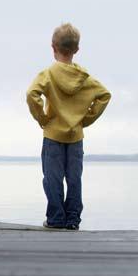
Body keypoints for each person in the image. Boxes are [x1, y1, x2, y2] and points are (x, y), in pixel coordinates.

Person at [26, 23, 112, 231]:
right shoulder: (85, 79)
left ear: (53, 46)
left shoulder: (47, 74)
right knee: (74, 179)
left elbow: (32, 94)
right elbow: (104, 95)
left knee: (52, 179)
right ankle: (73, 220)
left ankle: (55, 219)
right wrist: (85, 120)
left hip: (53, 135)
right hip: (76, 137)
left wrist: (43, 118)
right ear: (76, 49)